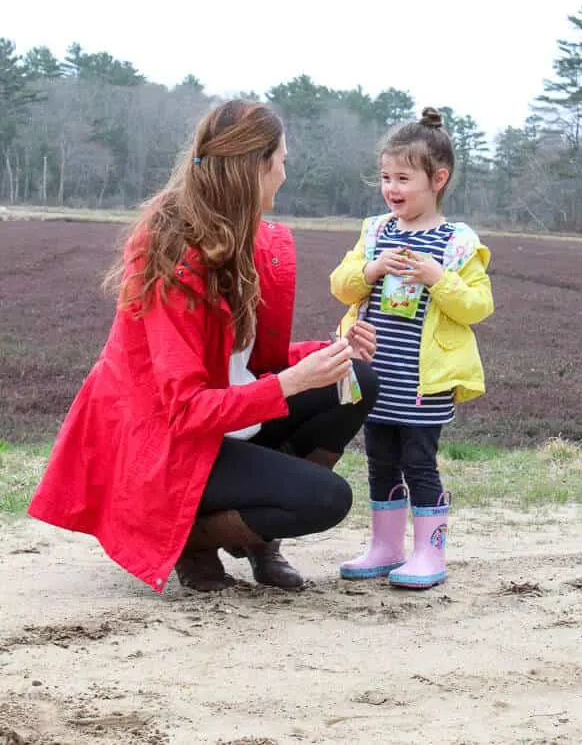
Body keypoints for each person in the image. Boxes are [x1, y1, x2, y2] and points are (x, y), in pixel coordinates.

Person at [28, 100, 379, 594]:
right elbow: (186, 407)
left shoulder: (245, 238)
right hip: (168, 442)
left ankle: (258, 536)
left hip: (225, 417)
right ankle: (193, 539)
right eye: (281, 158)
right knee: (326, 499)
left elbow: (244, 360)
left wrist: (328, 354)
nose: (284, 171)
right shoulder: (171, 252)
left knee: (356, 382)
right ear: (255, 167)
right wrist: (292, 382)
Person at [329, 107, 493, 589]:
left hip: (425, 382)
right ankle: (385, 547)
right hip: (374, 376)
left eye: (403, 177)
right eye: (385, 177)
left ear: (438, 179)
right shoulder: (376, 232)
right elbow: (341, 286)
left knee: (419, 462)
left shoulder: (458, 243)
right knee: (379, 459)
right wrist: (374, 269)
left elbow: (478, 306)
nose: (391, 188)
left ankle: (429, 552)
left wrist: (437, 278)